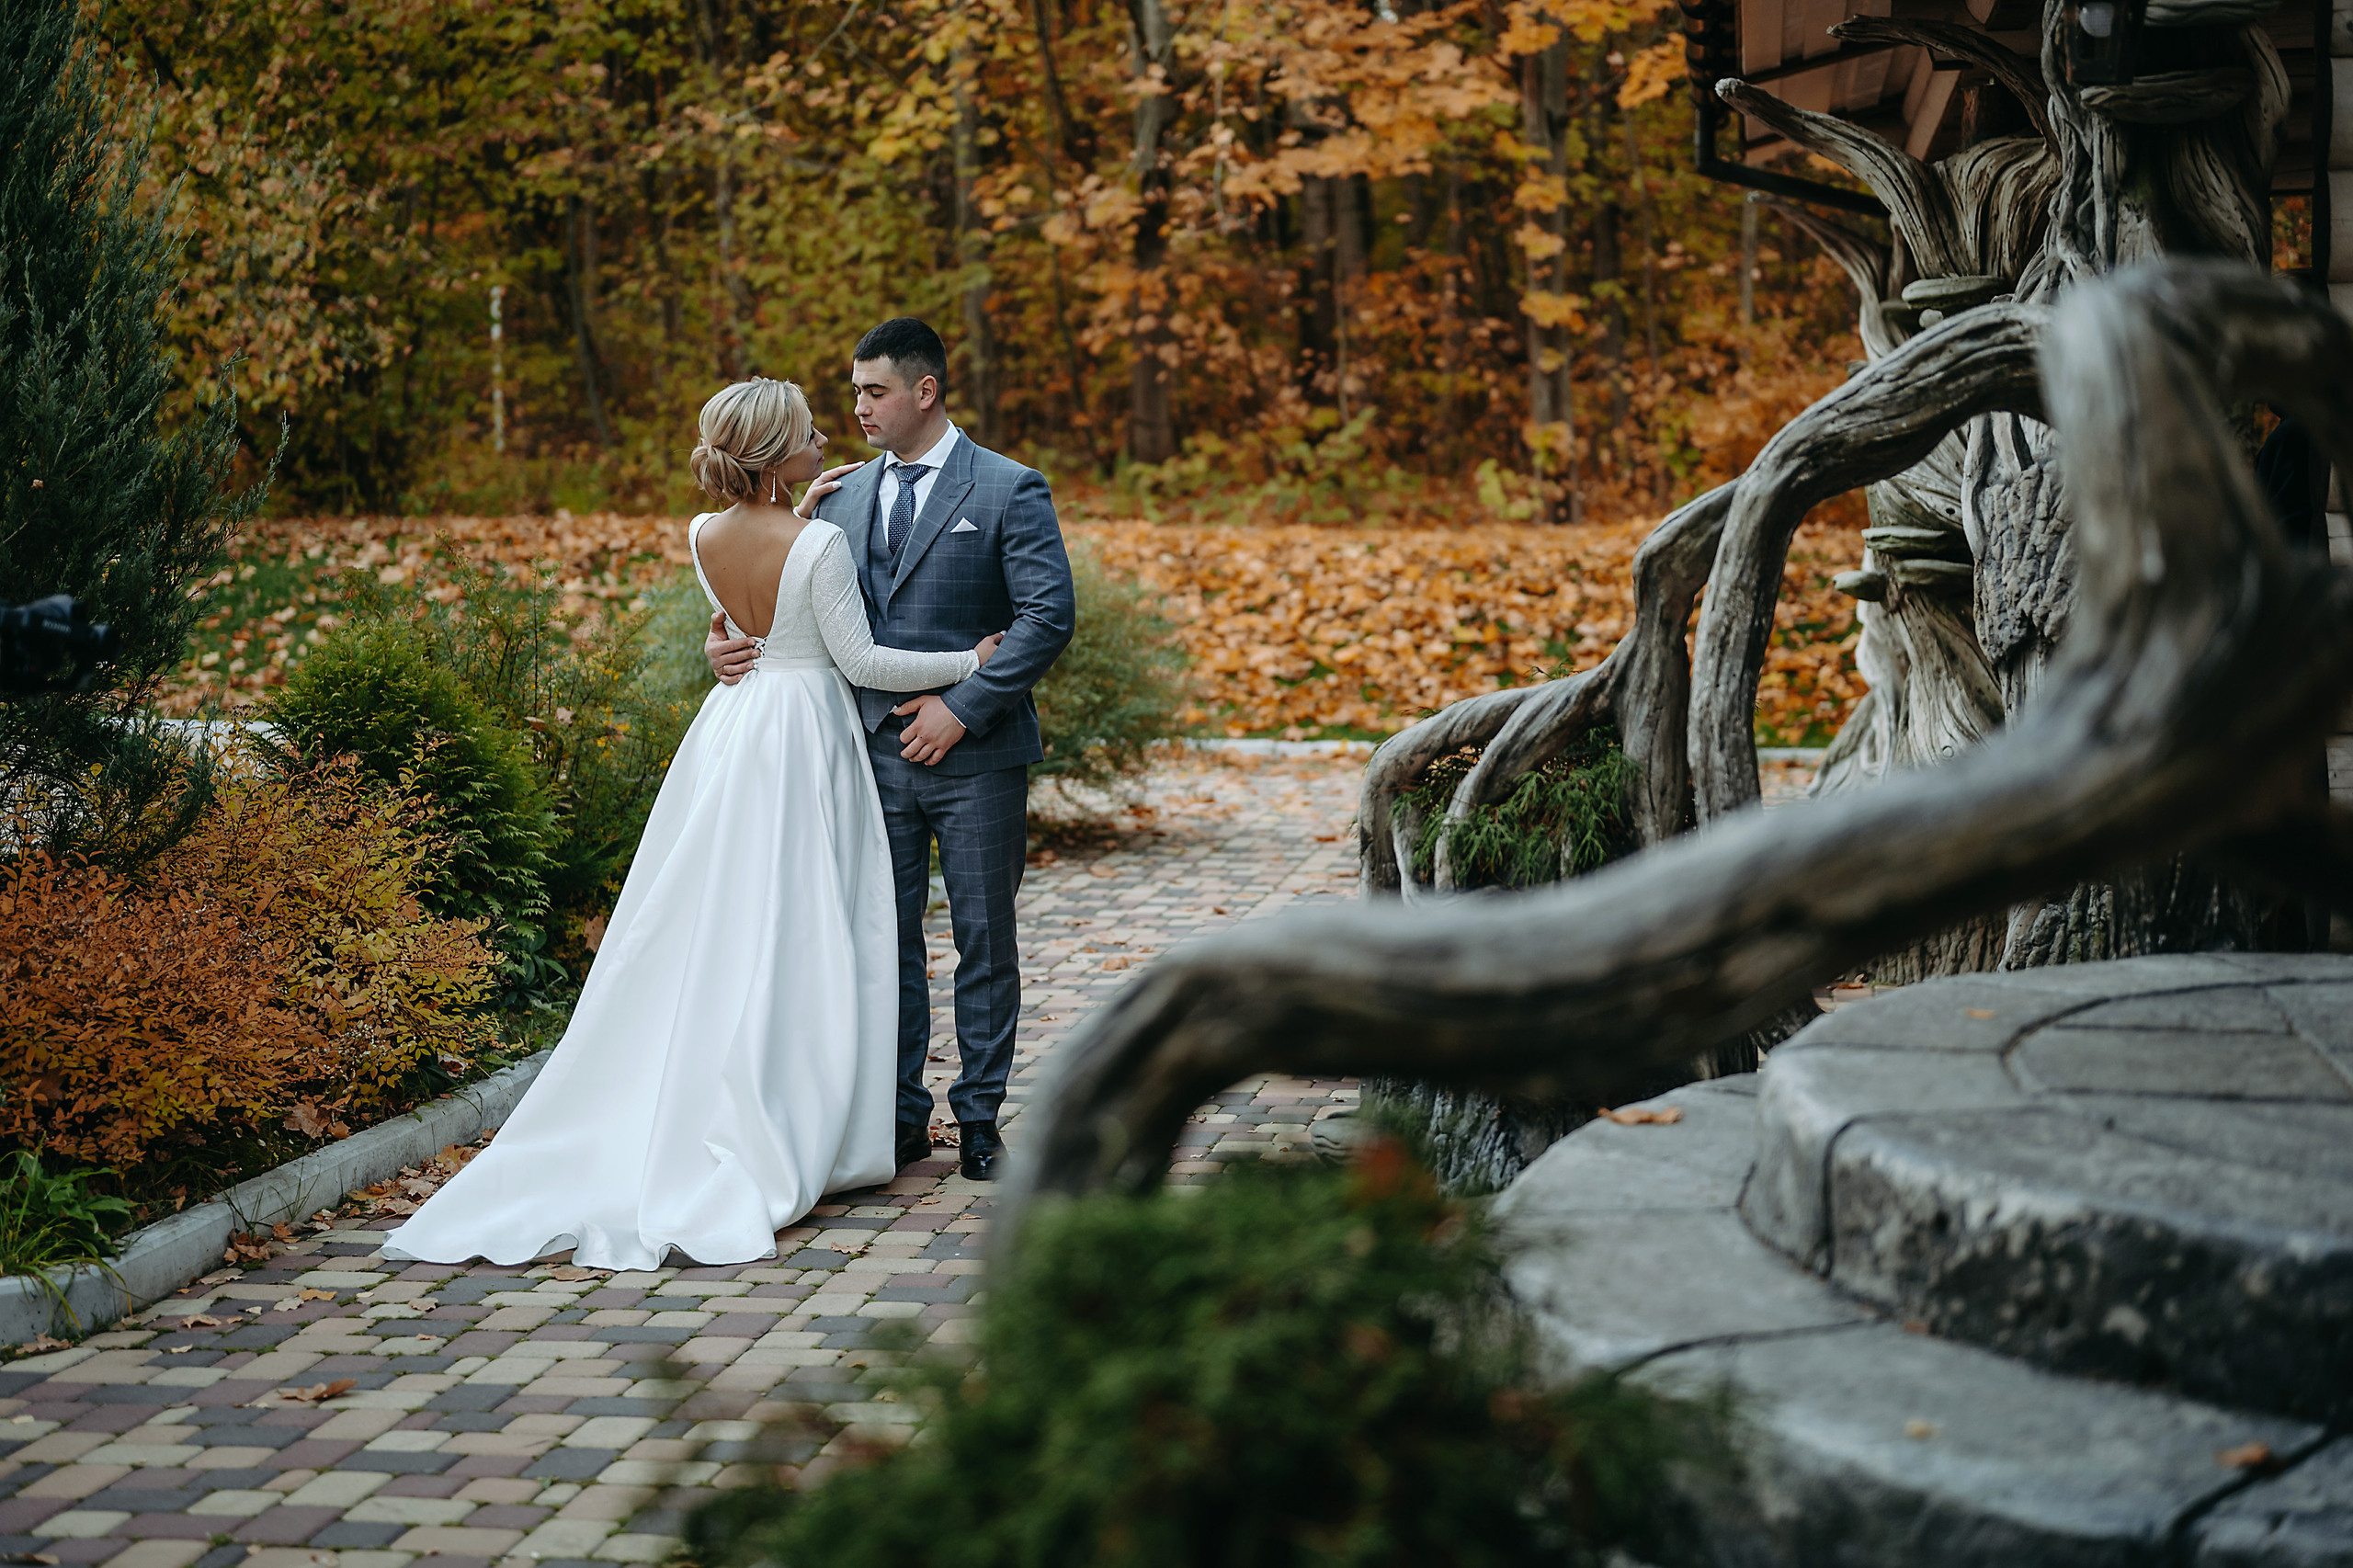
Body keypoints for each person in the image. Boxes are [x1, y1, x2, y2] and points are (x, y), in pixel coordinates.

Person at [384, 378, 1004, 1270]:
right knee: (804, 922)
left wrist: (785, 531)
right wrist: (966, 658)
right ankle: (797, 1105)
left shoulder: (702, 533)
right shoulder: (819, 543)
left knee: (722, 915)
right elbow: (862, 660)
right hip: (808, 737)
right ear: (773, 453)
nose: (825, 436)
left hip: (735, 729)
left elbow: (737, 619)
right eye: (806, 432)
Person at [706, 318, 1075, 1181]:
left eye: (874, 392)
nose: (859, 408)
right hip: (869, 754)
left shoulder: (1009, 488)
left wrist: (964, 706)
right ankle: (899, 1118)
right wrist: (719, 642)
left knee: (986, 940)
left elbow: (1046, 618)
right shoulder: (835, 498)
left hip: (978, 756)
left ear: (925, 392)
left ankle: (979, 1119)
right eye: (854, 391)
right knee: (885, 940)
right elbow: (784, 601)